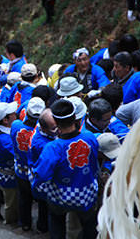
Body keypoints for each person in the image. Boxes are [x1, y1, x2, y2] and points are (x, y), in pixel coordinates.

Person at [32, 99, 99, 239]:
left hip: (59, 196)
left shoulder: (52, 148)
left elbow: (41, 175)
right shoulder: (90, 137)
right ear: (75, 118)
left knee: (56, 221)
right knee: (89, 225)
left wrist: (36, 189)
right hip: (87, 193)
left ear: (55, 121)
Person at [10, 97, 45, 231]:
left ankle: (24, 223)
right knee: (42, 201)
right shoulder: (41, 136)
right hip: (36, 172)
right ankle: (42, 226)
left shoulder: (16, 125)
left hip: (20, 169)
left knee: (24, 198)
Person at [0, 102, 19, 224]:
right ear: (5, 120)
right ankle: (11, 221)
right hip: (8, 175)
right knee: (11, 201)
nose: (15, 114)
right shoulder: (5, 140)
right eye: (12, 114)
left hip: (2, 171)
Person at [28, 108, 58, 233]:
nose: (58, 130)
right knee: (47, 207)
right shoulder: (42, 144)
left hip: (38, 173)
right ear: (44, 128)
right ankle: (44, 228)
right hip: (41, 178)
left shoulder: (42, 130)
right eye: (54, 128)